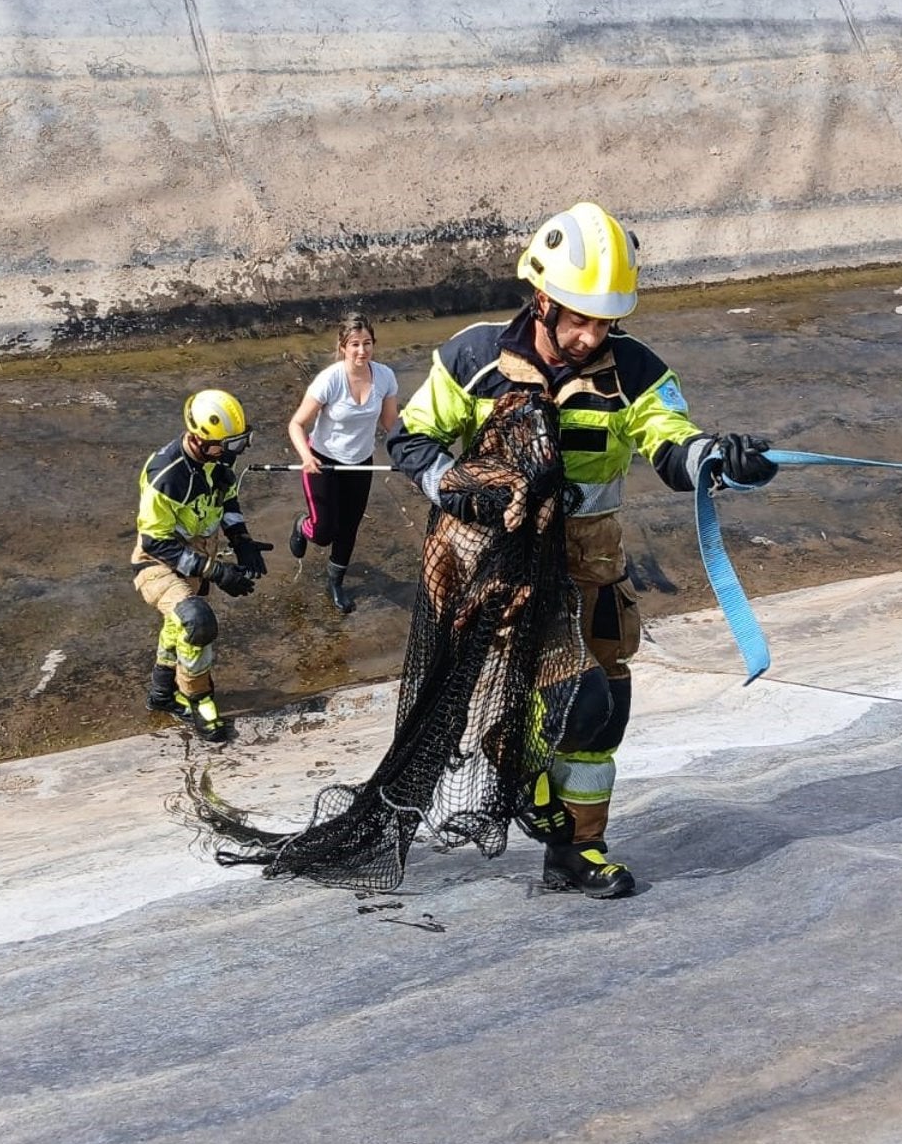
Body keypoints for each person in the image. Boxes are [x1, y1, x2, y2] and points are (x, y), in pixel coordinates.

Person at [386, 202, 778, 897]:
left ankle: (577, 852)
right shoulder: (474, 358)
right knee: (579, 697)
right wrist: (455, 487)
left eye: (606, 321)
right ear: (542, 298)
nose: (592, 334)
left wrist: (719, 459)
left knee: (606, 713)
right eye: (579, 317)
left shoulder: (636, 372)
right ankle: (515, 758)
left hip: (591, 567)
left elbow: (670, 442)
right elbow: (412, 439)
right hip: (501, 564)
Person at [132, 388, 274, 743]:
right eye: (231, 445)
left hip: (195, 556)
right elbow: (155, 542)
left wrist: (241, 540)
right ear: (200, 439)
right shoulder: (166, 476)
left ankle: (162, 694)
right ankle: (199, 699)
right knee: (197, 623)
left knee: (178, 622)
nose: (237, 451)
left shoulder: (218, 460)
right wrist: (217, 572)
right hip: (158, 563)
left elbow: (227, 499)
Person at [285, 312, 401, 614]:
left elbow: (391, 423)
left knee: (349, 527)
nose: (362, 351)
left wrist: (412, 449)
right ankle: (302, 524)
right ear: (343, 347)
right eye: (355, 345)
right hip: (323, 462)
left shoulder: (385, 376)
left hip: (360, 463)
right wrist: (306, 457)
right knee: (324, 532)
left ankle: (336, 583)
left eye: (367, 344)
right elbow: (296, 424)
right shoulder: (329, 380)